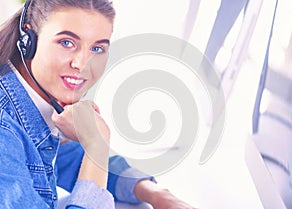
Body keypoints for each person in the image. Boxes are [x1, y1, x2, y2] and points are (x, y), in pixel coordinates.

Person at [0, 0, 196, 208]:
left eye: (97, 48)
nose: (82, 64)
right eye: (67, 42)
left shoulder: (38, 101)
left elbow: (68, 159)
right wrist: (97, 145)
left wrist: (158, 195)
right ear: (27, 40)